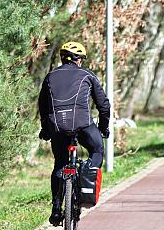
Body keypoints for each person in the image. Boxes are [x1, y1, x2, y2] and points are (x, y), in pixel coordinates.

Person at [37, 41, 111, 226]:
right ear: (78, 60)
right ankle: (86, 176)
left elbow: (43, 107)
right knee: (96, 149)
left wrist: (46, 129)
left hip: (58, 127)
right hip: (83, 125)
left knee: (59, 164)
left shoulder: (50, 77)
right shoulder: (87, 75)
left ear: (62, 58)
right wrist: (104, 127)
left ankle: (56, 208)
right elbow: (103, 105)